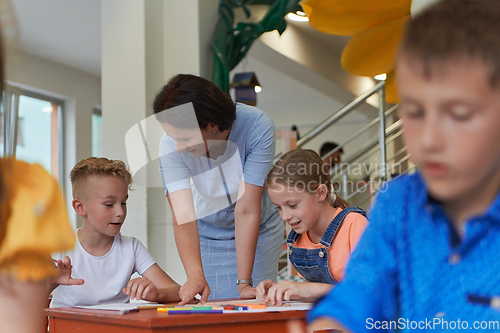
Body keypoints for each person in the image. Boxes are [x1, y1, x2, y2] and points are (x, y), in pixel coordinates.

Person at [308, 0, 500, 332]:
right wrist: (333, 324)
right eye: (413, 111)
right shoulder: (398, 203)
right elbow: (362, 290)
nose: (429, 139)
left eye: (459, 114)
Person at [154, 74, 284, 303]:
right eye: (172, 137)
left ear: (212, 126)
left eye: (184, 138)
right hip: (207, 230)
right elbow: (182, 214)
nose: (177, 148)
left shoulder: (257, 127)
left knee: (255, 305)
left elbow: (247, 208)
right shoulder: (169, 145)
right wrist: (194, 275)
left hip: (257, 227)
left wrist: (244, 282)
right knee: (214, 306)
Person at [49, 157, 181, 307]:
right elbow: (23, 303)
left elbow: (177, 291)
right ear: (80, 207)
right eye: (109, 204)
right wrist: (50, 284)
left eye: (123, 202)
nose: (120, 212)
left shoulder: (131, 247)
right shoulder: (57, 247)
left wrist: (156, 294)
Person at [255, 149, 368, 305]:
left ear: (321, 193)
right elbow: (316, 296)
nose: (285, 216)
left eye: (292, 205)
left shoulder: (355, 224)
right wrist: (282, 291)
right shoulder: (299, 237)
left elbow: (370, 292)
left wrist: (308, 289)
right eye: (278, 207)